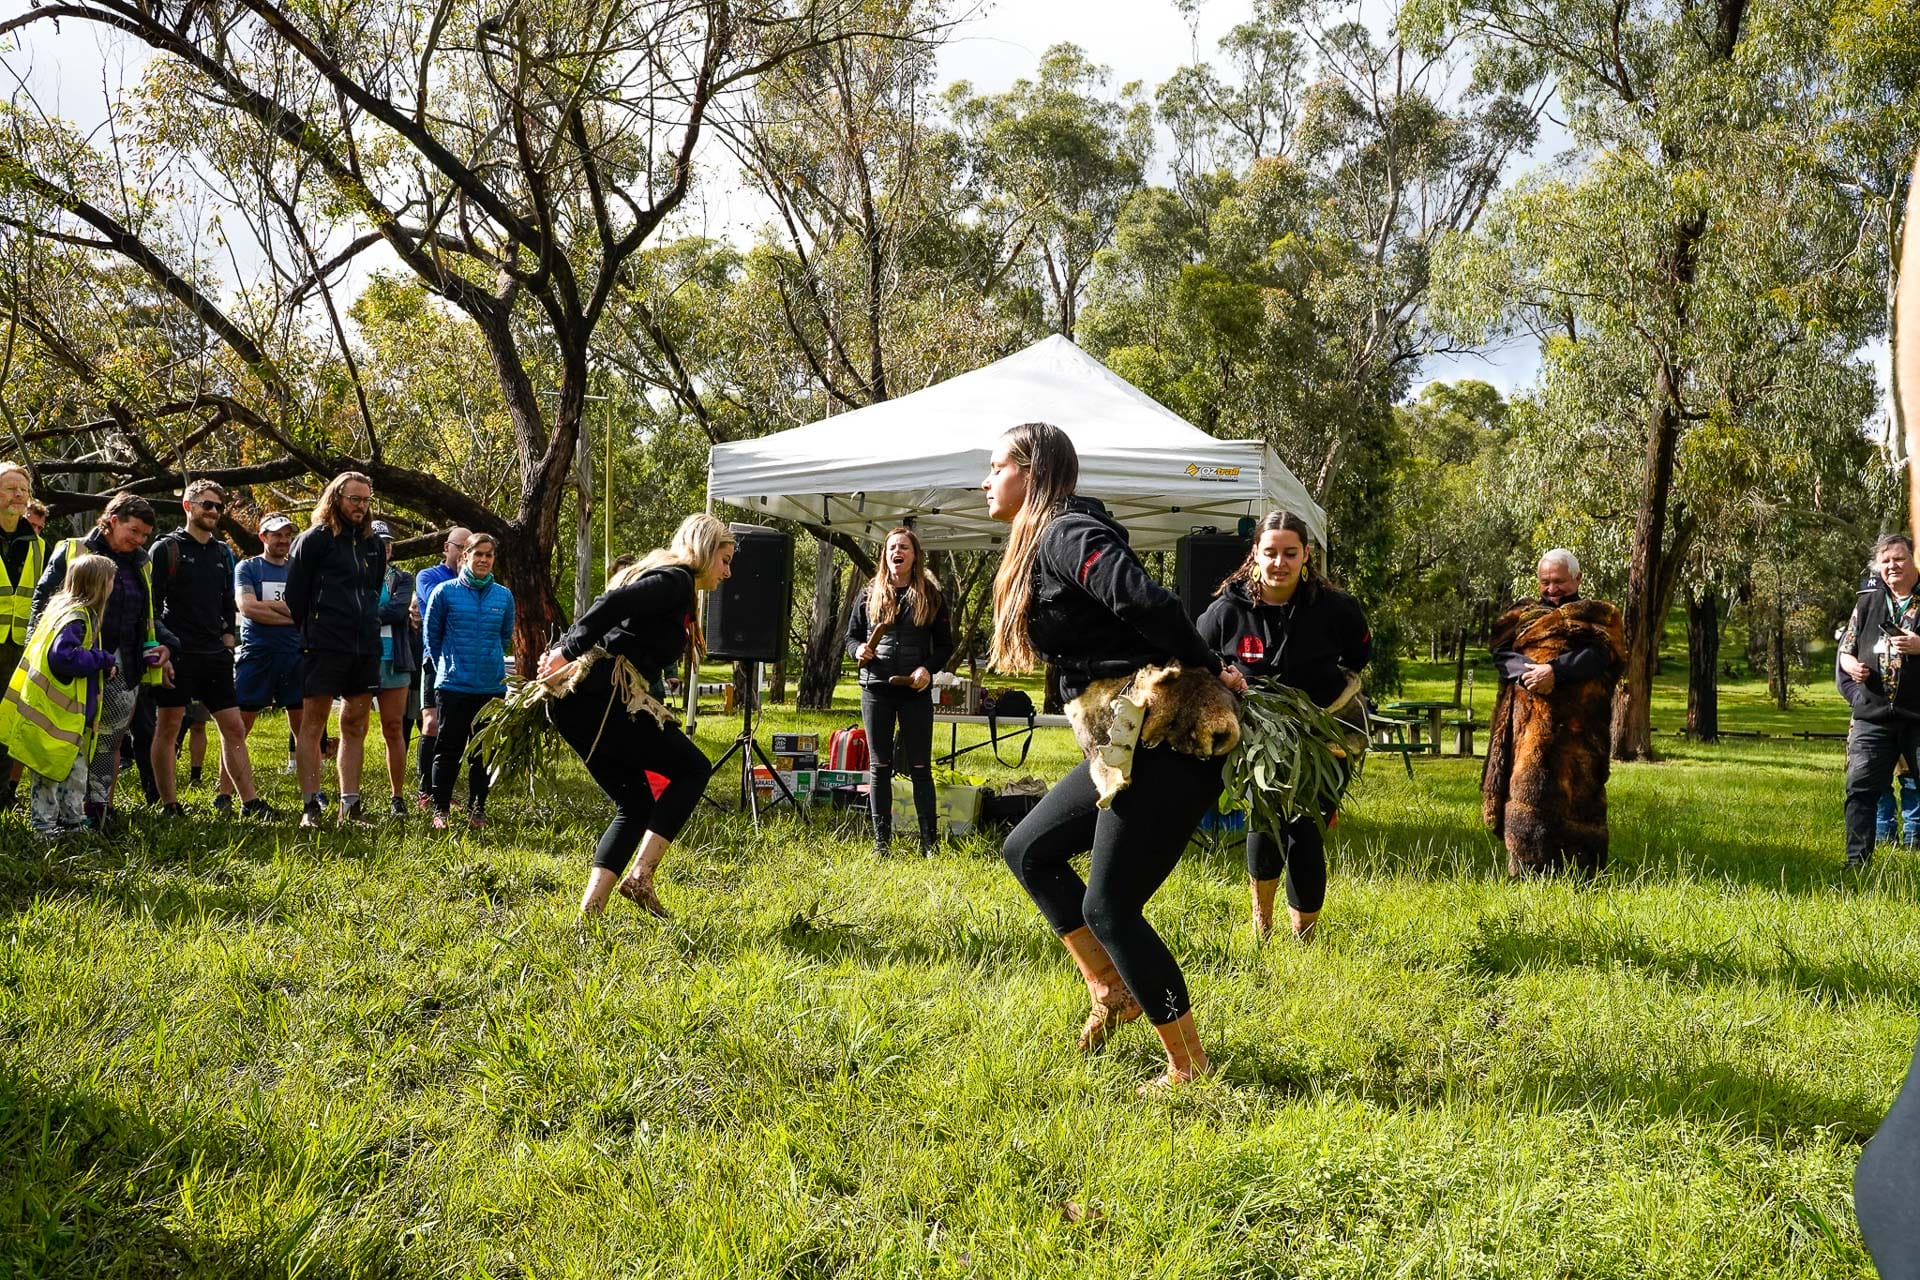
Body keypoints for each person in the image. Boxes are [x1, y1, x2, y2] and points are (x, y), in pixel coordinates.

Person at [986, 422, 1241, 1093]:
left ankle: (1189, 1067)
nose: (986, 481)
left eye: (996, 467)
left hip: (1166, 732)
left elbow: (1146, 602)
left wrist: (1209, 663)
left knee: (1110, 907)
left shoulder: (1066, 532)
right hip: (1123, 740)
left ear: (1030, 470)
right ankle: (1110, 988)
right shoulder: (1048, 538)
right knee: (1028, 850)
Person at [536, 514, 729, 920]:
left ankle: (590, 915)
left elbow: (615, 611)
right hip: (603, 698)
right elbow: (613, 604)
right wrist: (564, 651)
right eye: (725, 560)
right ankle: (641, 876)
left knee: (636, 804)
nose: (727, 572)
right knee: (694, 768)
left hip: (581, 705)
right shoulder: (676, 580)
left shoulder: (668, 577)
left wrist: (567, 652)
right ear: (706, 550)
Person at [1197, 510, 1371, 942]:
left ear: (1306, 554)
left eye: (1290, 553)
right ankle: (1262, 926)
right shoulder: (1226, 610)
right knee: (1265, 823)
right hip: (1258, 740)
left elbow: (1359, 656)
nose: (1280, 563)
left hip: (1324, 737)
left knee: (1307, 829)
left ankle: (1304, 936)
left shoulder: (1336, 608)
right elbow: (1199, 658)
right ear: (1255, 553)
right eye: (1271, 552)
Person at [1481, 548, 1625, 877]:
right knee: (1527, 792)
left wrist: (1555, 672)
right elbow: (1501, 654)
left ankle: (1581, 872)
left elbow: (1604, 655)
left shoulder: (1599, 616)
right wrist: (1530, 674)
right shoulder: (1520, 615)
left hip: (1579, 731)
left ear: (1577, 578)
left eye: (1559, 581)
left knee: (1578, 795)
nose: (1551, 589)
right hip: (1527, 731)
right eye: (1545, 582)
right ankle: (1526, 869)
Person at [31, 493, 169, 828]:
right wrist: (37, 657)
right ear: (112, 520)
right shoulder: (74, 549)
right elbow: (43, 603)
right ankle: (55, 814)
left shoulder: (141, 561)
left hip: (124, 663)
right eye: (133, 531)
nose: (139, 540)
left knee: (109, 740)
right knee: (68, 738)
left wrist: (164, 645)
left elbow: (149, 612)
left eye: (145, 535)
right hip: (74, 663)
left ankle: (97, 809)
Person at [147, 480, 271, 818]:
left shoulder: (222, 552)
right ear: (188, 506)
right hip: (177, 653)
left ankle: (250, 803)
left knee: (234, 727)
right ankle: (170, 804)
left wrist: (228, 640)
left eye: (218, 506)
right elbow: (151, 607)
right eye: (207, 504)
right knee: (169, 726)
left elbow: (226, 602)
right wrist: (161, 648)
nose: (214, 511)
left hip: (215, 654)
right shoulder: (166, 548)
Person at [285, 472, 388, 828]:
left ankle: (350, 806)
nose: (361, 506)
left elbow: (373, 591)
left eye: (366, 500)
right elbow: (295, 596)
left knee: (355, 723)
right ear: (336, 498)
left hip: (365, 646)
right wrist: (314, 632)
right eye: (354, 499)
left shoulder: (374, 544)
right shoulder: (314, 539)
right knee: (313, 724)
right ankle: (310, 807)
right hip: (324, 645)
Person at [846, 526, 953, 855]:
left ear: (915, 555)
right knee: (879, 767)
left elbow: (945, 646)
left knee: (920, 767)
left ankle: (929, 843)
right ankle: (882, 843)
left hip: (914, 691)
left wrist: (927, 669)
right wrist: (857, 650)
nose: (898, 552)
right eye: (892, 547)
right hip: (876, 689)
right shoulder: (869, 594)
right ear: (885, 555)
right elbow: (850, 637)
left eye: (904, 547)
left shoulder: (931, 595)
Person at [0, 554, 119, 837]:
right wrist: (102, 659)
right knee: (49, 773)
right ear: (98, 584)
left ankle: (73, 822)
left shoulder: (64, 611)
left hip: (66, 717)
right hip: (55, 717)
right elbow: (63, 658)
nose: (113, 586)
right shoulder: (76, 618)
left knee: (73, 771)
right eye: (111, 581)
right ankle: (43, 827)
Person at [1838, 533, 1920, 870]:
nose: (1892, 566)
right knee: (1860, 790)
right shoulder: (1867, 603)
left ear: (1914, 560)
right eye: (1885, 561)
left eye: (1898, 558)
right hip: (1872, 717)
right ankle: (1856, 865)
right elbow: (1846, 649)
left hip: (1918, 717)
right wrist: (1851, 666)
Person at [423, 534, 514, 830]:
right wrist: (449, 667)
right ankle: (440, 810)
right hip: (453, 686)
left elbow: (504, 637)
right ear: (465, 556)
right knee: (448, 750)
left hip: (491, 687)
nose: (484, 560)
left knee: (483, 754)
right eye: (478, 554)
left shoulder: (504, 596)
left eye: (489, 555)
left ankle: (478, 811)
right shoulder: (444, 592)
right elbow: (432, 638)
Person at [220, 513, 303, 809]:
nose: (283, 540)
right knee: (238, 728)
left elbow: (309, 610)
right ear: (263, 537)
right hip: (257, 655)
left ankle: (311, 792)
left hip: (294, 656)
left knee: (304, 728)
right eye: (276, 534)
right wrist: (291, 614)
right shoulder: (248, 567)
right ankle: (224, 793)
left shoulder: (298, 569)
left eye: (287, 535)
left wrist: (270, 606)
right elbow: (248, 607)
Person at [410, 526, 471, 808]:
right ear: (447, 548)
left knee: (455, 728)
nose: (465, 553)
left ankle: (443, 792)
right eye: (461, 547)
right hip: (434, 658)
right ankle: (425, 791)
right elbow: (442, 603)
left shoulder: (477, 581)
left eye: (469, 549)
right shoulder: (428, 576)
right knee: (432, 723)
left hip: (465, 661)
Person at [0, 461, 46, 808]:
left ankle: (3, 793)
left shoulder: (39, 544)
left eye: (24, 490)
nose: (19, 495)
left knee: (8, 719)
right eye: (10, 488)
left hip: (19, 646)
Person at [371, 521, 422, 817]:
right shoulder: (354, 572)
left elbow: (398, 609)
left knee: (394, 727)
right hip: (362, 657)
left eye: (388, 542)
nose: (385, 547)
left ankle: (397, 797)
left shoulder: (402, 578)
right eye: (379, 542)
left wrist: (363, 613)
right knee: (354, 726)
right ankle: (349, 797)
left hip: (395, 659)